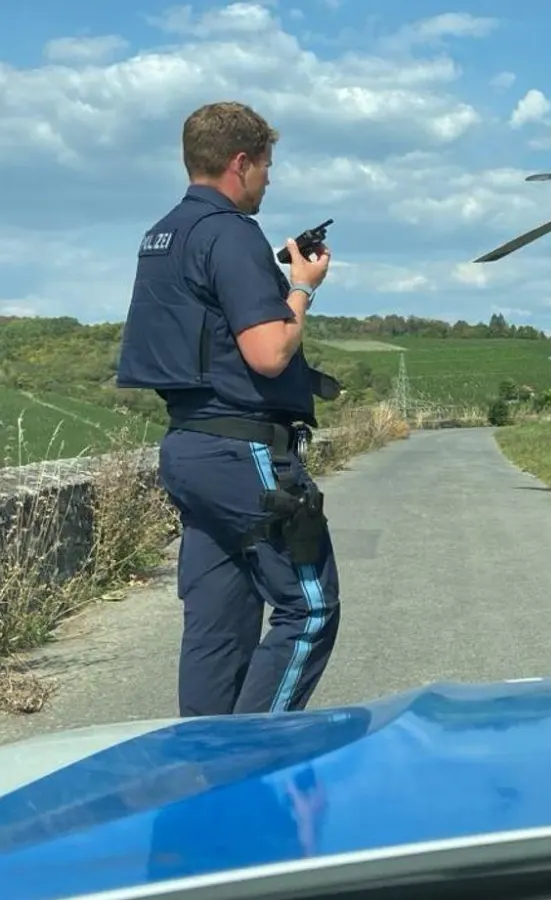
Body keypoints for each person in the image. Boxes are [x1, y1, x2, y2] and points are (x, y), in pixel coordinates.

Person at [115, 101, 341, 717]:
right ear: (241, 162)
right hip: (245, 452)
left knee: (219, 622)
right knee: (309, 608)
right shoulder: (233, 234)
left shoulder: (162, 236)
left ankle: (203, 760)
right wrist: (302, 287)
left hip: (189, 448)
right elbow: (268, 353)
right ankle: (252, 757)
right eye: (266, 166)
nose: (267, 179)